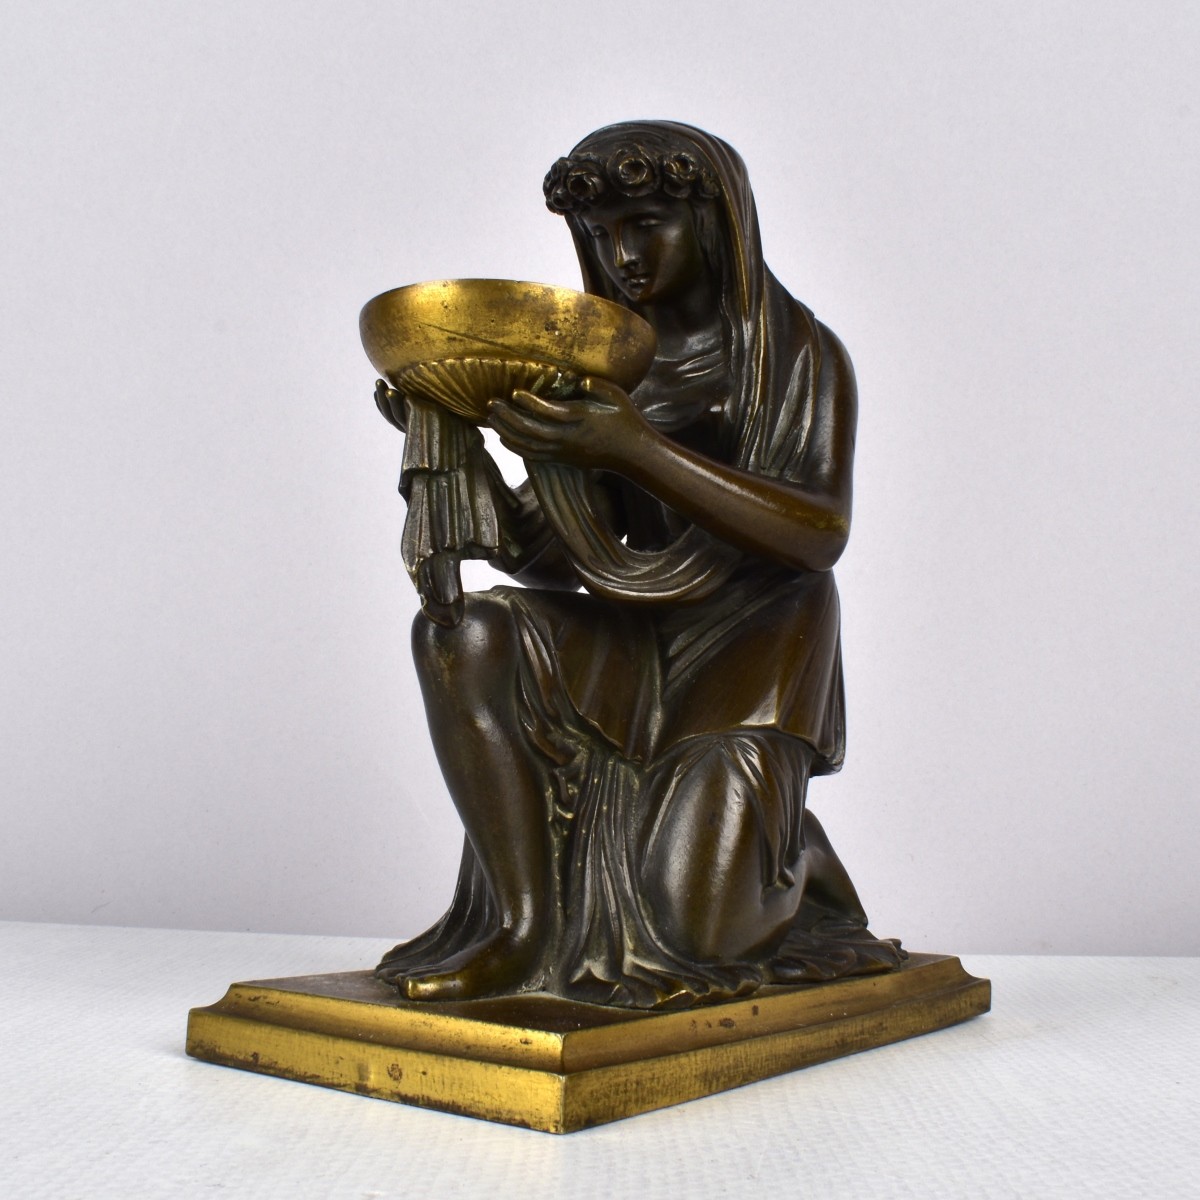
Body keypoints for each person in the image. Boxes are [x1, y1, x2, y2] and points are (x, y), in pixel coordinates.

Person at [373, 121, 902, 1008]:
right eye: (599, 233)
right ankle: (520, 925)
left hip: (752, 650)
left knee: (699, 933)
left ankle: (795, 856)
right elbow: (555, 560)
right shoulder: (606, 369)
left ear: (715, 222)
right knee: (464, 635)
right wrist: (469, 446)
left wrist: (637, 450)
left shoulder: (799, 356)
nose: (622, 256)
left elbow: (819, 533)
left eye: (647, 225)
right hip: (634, 637)